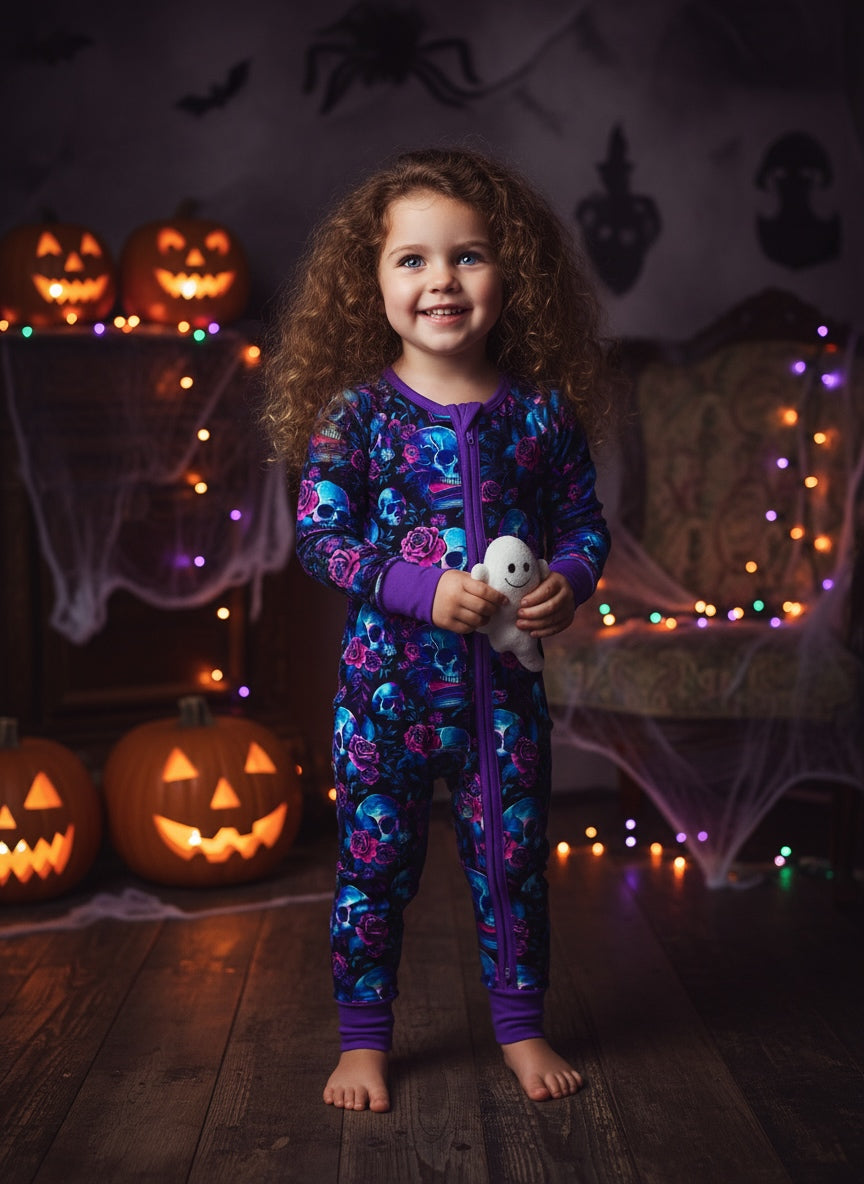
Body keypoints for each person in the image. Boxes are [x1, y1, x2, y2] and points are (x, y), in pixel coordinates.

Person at [263, 146, 613, 1113]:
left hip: (504, 701)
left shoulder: (540, 415)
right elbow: (322, 538)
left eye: (468, 256)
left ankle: (520, 1025)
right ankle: (365, 1041)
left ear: (514, 275)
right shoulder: (358, 417)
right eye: (411, 260)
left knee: (512, 865)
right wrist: (418, 588)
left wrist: (569, 582)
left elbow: (584, 524)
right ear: (369, 282)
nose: (441, 281)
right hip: (386, 697)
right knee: (374, 870)